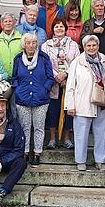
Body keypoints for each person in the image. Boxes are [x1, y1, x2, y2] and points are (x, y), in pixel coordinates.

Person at [65, 35, 105, 171]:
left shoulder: (104, 60)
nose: (91, 48)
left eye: (94, 45)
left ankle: (100, 161)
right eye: (88, 46)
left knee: (101, 133)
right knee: (81, 134)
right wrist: (70, 105)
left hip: (101, 103)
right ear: (84, 47)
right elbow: (70, 85)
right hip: (82, 103)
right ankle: (80, 161)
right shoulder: (77, 62)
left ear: (98, 46)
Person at [11, 33, 55, 166]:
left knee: (39, 127)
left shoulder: (44, 58)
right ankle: (24, 152)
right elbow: (14, 78)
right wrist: (18, 89)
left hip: (40, 98)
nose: (31, 45)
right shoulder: (18, 59)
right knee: (24, 127)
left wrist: (44, 89)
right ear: (24, 44)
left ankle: (37, 153)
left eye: (34, 42)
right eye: (28, 42)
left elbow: (50, 77)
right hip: (23, 98)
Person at [41, 18, 80, 149]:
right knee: (53, 110)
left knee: (68, 110)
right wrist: (56, 76)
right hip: (53, 82)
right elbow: (45, 63)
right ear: (53, 29)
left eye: (62, 27)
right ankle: (52, 138)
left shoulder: (73, 45)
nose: (59, 29)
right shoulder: (46, 45)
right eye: (56, 27)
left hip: (68, 83)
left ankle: (66, 138)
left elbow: (76, 62)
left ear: (65, 29)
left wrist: (66, 74)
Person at [0, 13, 23, 77]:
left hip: (18, 75)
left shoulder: (21, 38)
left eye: (10, 21)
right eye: (5, 21)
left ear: (14, 23)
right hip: (1, 76)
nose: (8, 23)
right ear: (2, 24)